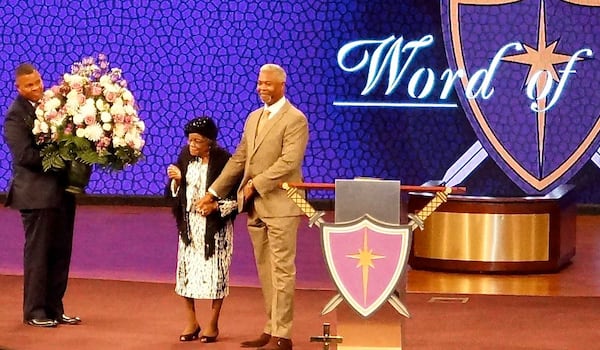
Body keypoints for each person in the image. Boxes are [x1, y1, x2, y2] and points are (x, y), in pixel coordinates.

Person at [198, 63, 309, 350]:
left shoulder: (295, 119)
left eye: (268, 84)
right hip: (256, 207)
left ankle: (283, 335)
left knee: (283, 271)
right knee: (266, 270)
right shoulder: (253, 118)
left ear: (282, 86)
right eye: (259, 83)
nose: (262, 88)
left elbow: (289, 163)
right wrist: (213, 191)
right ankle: (271, 328)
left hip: (282, 205)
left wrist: (255, 184)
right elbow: (239, 159)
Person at [3, 63, 81, 327]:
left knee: (61, 252)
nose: (36, 88)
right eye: (29, 85)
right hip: (36, 196)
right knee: (39, 254)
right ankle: (35, 312)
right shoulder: (16, 116)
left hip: (62, 193)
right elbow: (25, 156)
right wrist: (60, 158)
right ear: (18, 88)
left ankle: (55, 308)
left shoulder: (53, 107)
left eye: (38, 82)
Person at [166, 116, 238, 343]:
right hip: (190, 226)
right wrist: (177, 181)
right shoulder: (185, 157)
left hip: (215, 229)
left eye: (197, 141)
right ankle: (191, 321)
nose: (192, 145)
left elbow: (237, 199)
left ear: (209, 142)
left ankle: (212, 324)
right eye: (190, 140)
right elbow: (173, 194)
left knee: (216, 276)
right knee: (186, 275)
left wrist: (216, 207)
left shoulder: (224, 161)